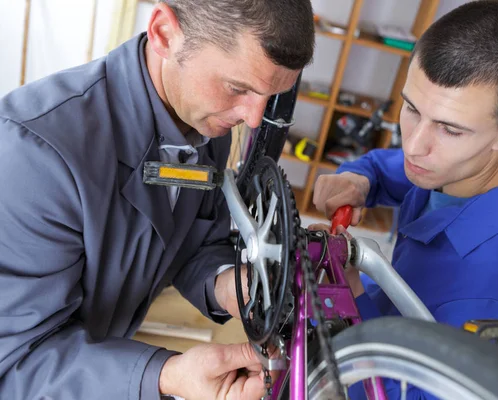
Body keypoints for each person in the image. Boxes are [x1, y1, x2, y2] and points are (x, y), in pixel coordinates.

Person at [0, 0, 314, 399]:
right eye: (238, 88)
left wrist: (237, 287)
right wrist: (164, 375)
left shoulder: (204, 122)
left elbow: (190, 243)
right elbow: (15, 365)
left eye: (271, 96)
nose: (253, 119)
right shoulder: (36, 155)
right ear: (165, 33)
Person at [313, 1, 498, 398]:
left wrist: (350, 296)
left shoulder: (497, 288)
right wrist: (358, 179)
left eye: (450, 129)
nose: (414, 146)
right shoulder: (466, 165)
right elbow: (388, 168)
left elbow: (404, 391)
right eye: (411, 109)